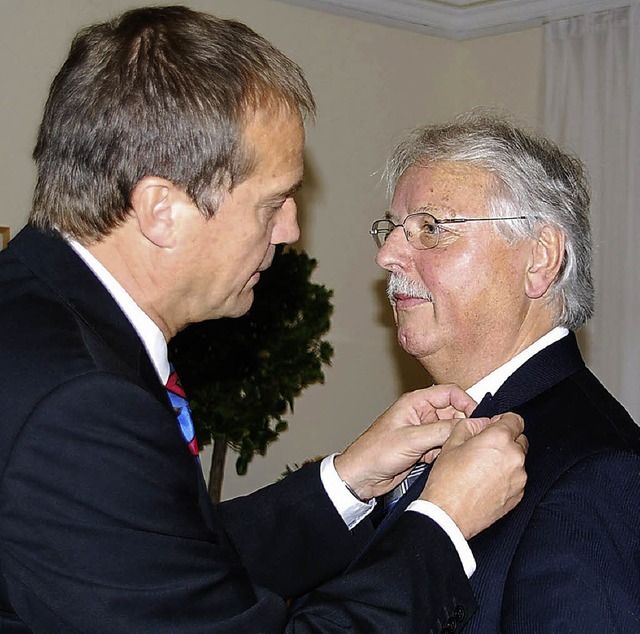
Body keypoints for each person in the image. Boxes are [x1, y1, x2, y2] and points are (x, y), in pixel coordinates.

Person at [0, 8, 528, 633]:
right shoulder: (81, 403)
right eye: (273, 202)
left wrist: (348, 478)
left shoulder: (35, 313)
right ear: (161, 210)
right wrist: (442, 525)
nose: (291, 230)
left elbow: (160, 568)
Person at [370, 108, 640, 632]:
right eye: (393, 229)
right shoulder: (418, 440)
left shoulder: (596, 474)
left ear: (539, 259)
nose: (387, 255)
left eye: (430, 228)